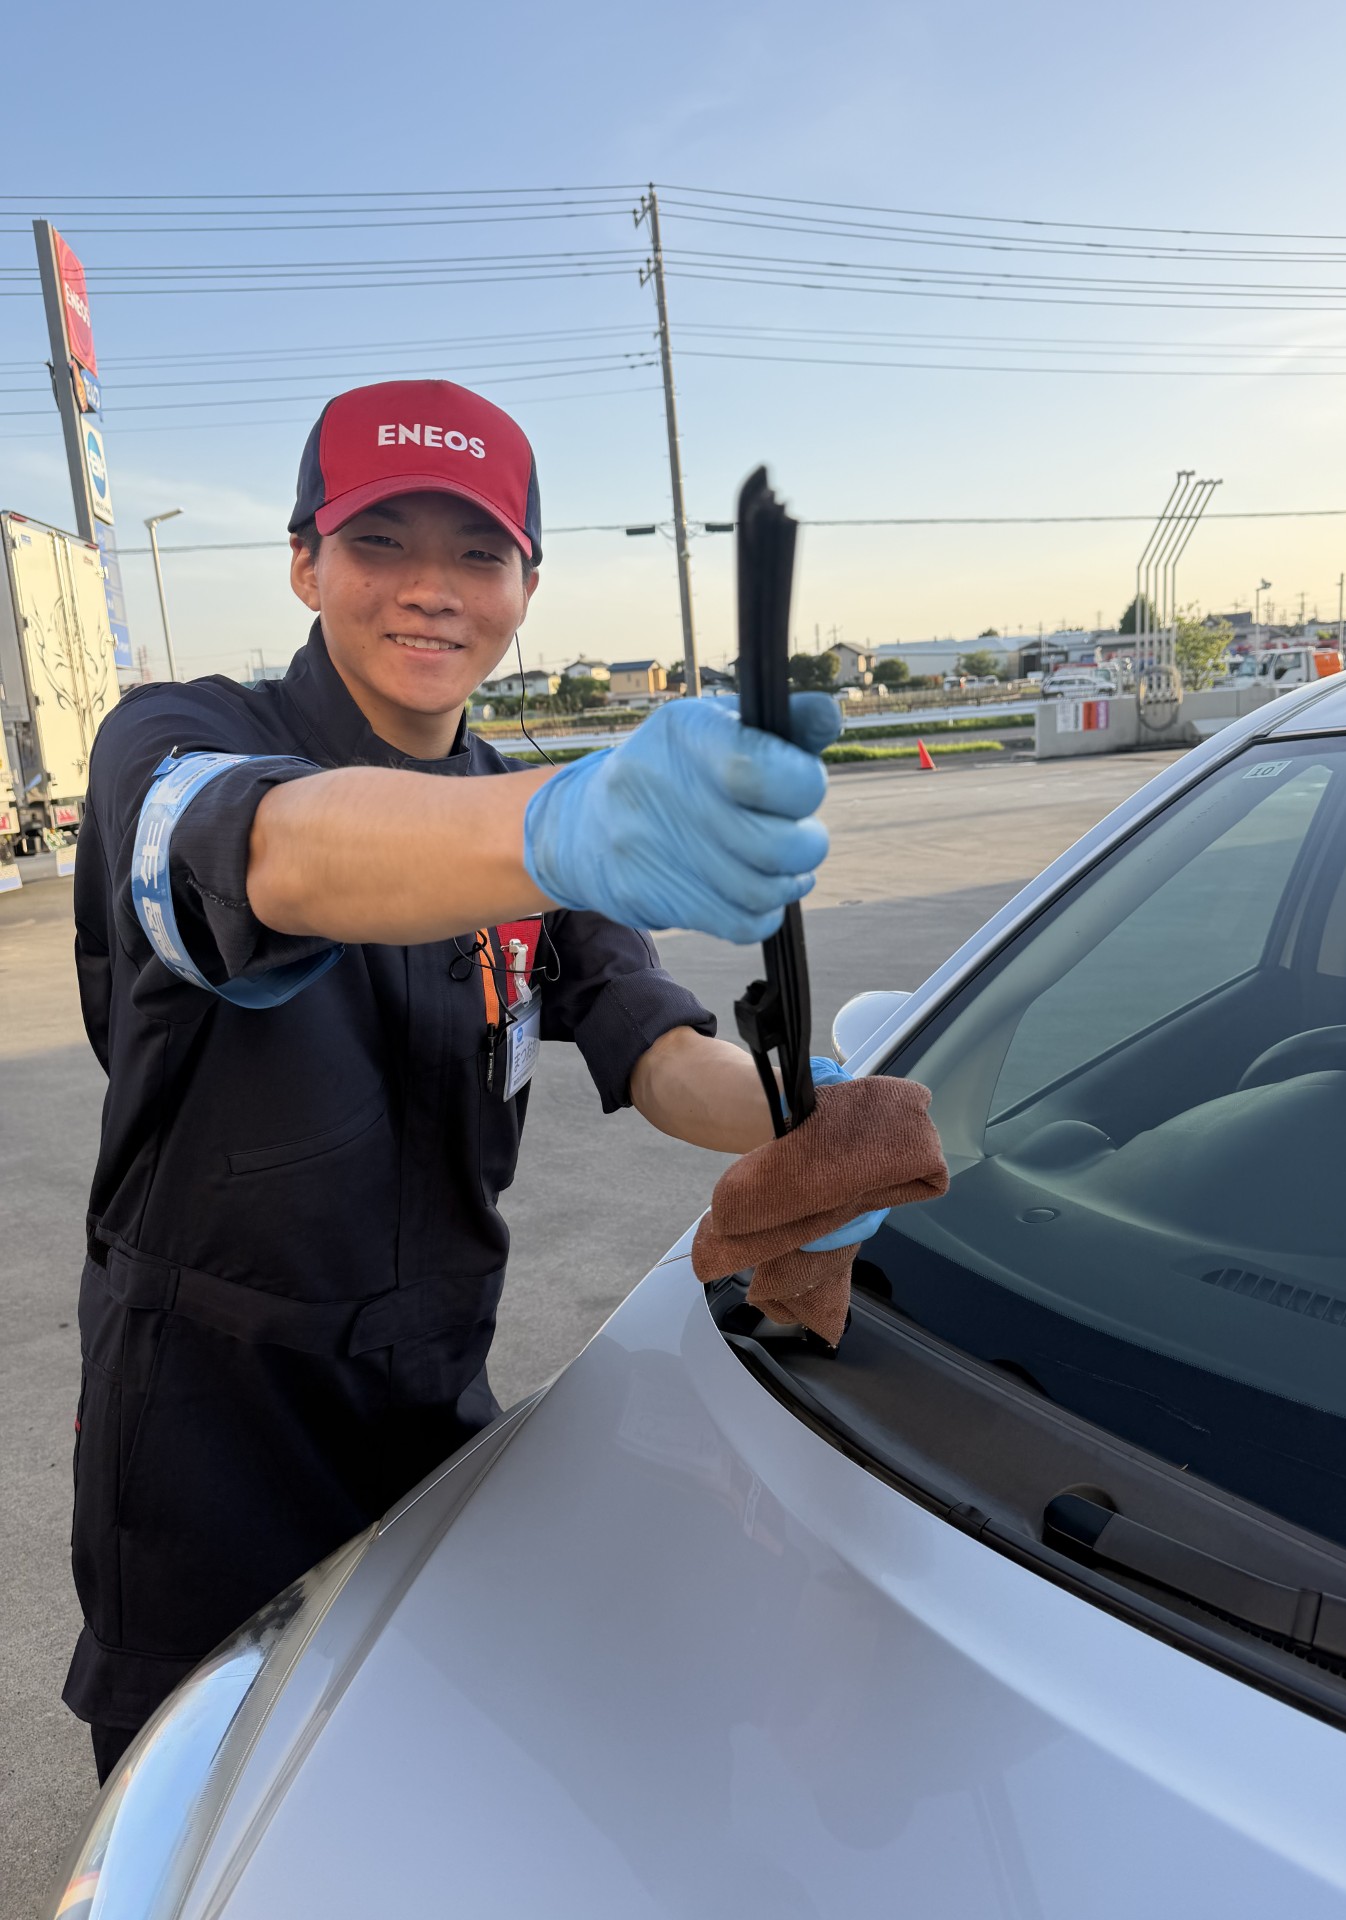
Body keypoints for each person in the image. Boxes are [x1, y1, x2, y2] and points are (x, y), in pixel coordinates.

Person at [67, 378, 865, 1782]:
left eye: (478, 553)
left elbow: (658, 1050)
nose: (432, 590)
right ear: (305, 559)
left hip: (435, 1409)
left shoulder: (520, 824)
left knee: (416, 1784)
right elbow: (267, 856)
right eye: (382, 543)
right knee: (220, 1828)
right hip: (212, 1439)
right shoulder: (176, 733)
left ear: (528, 584)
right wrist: (550, 827)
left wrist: (824, 1116)